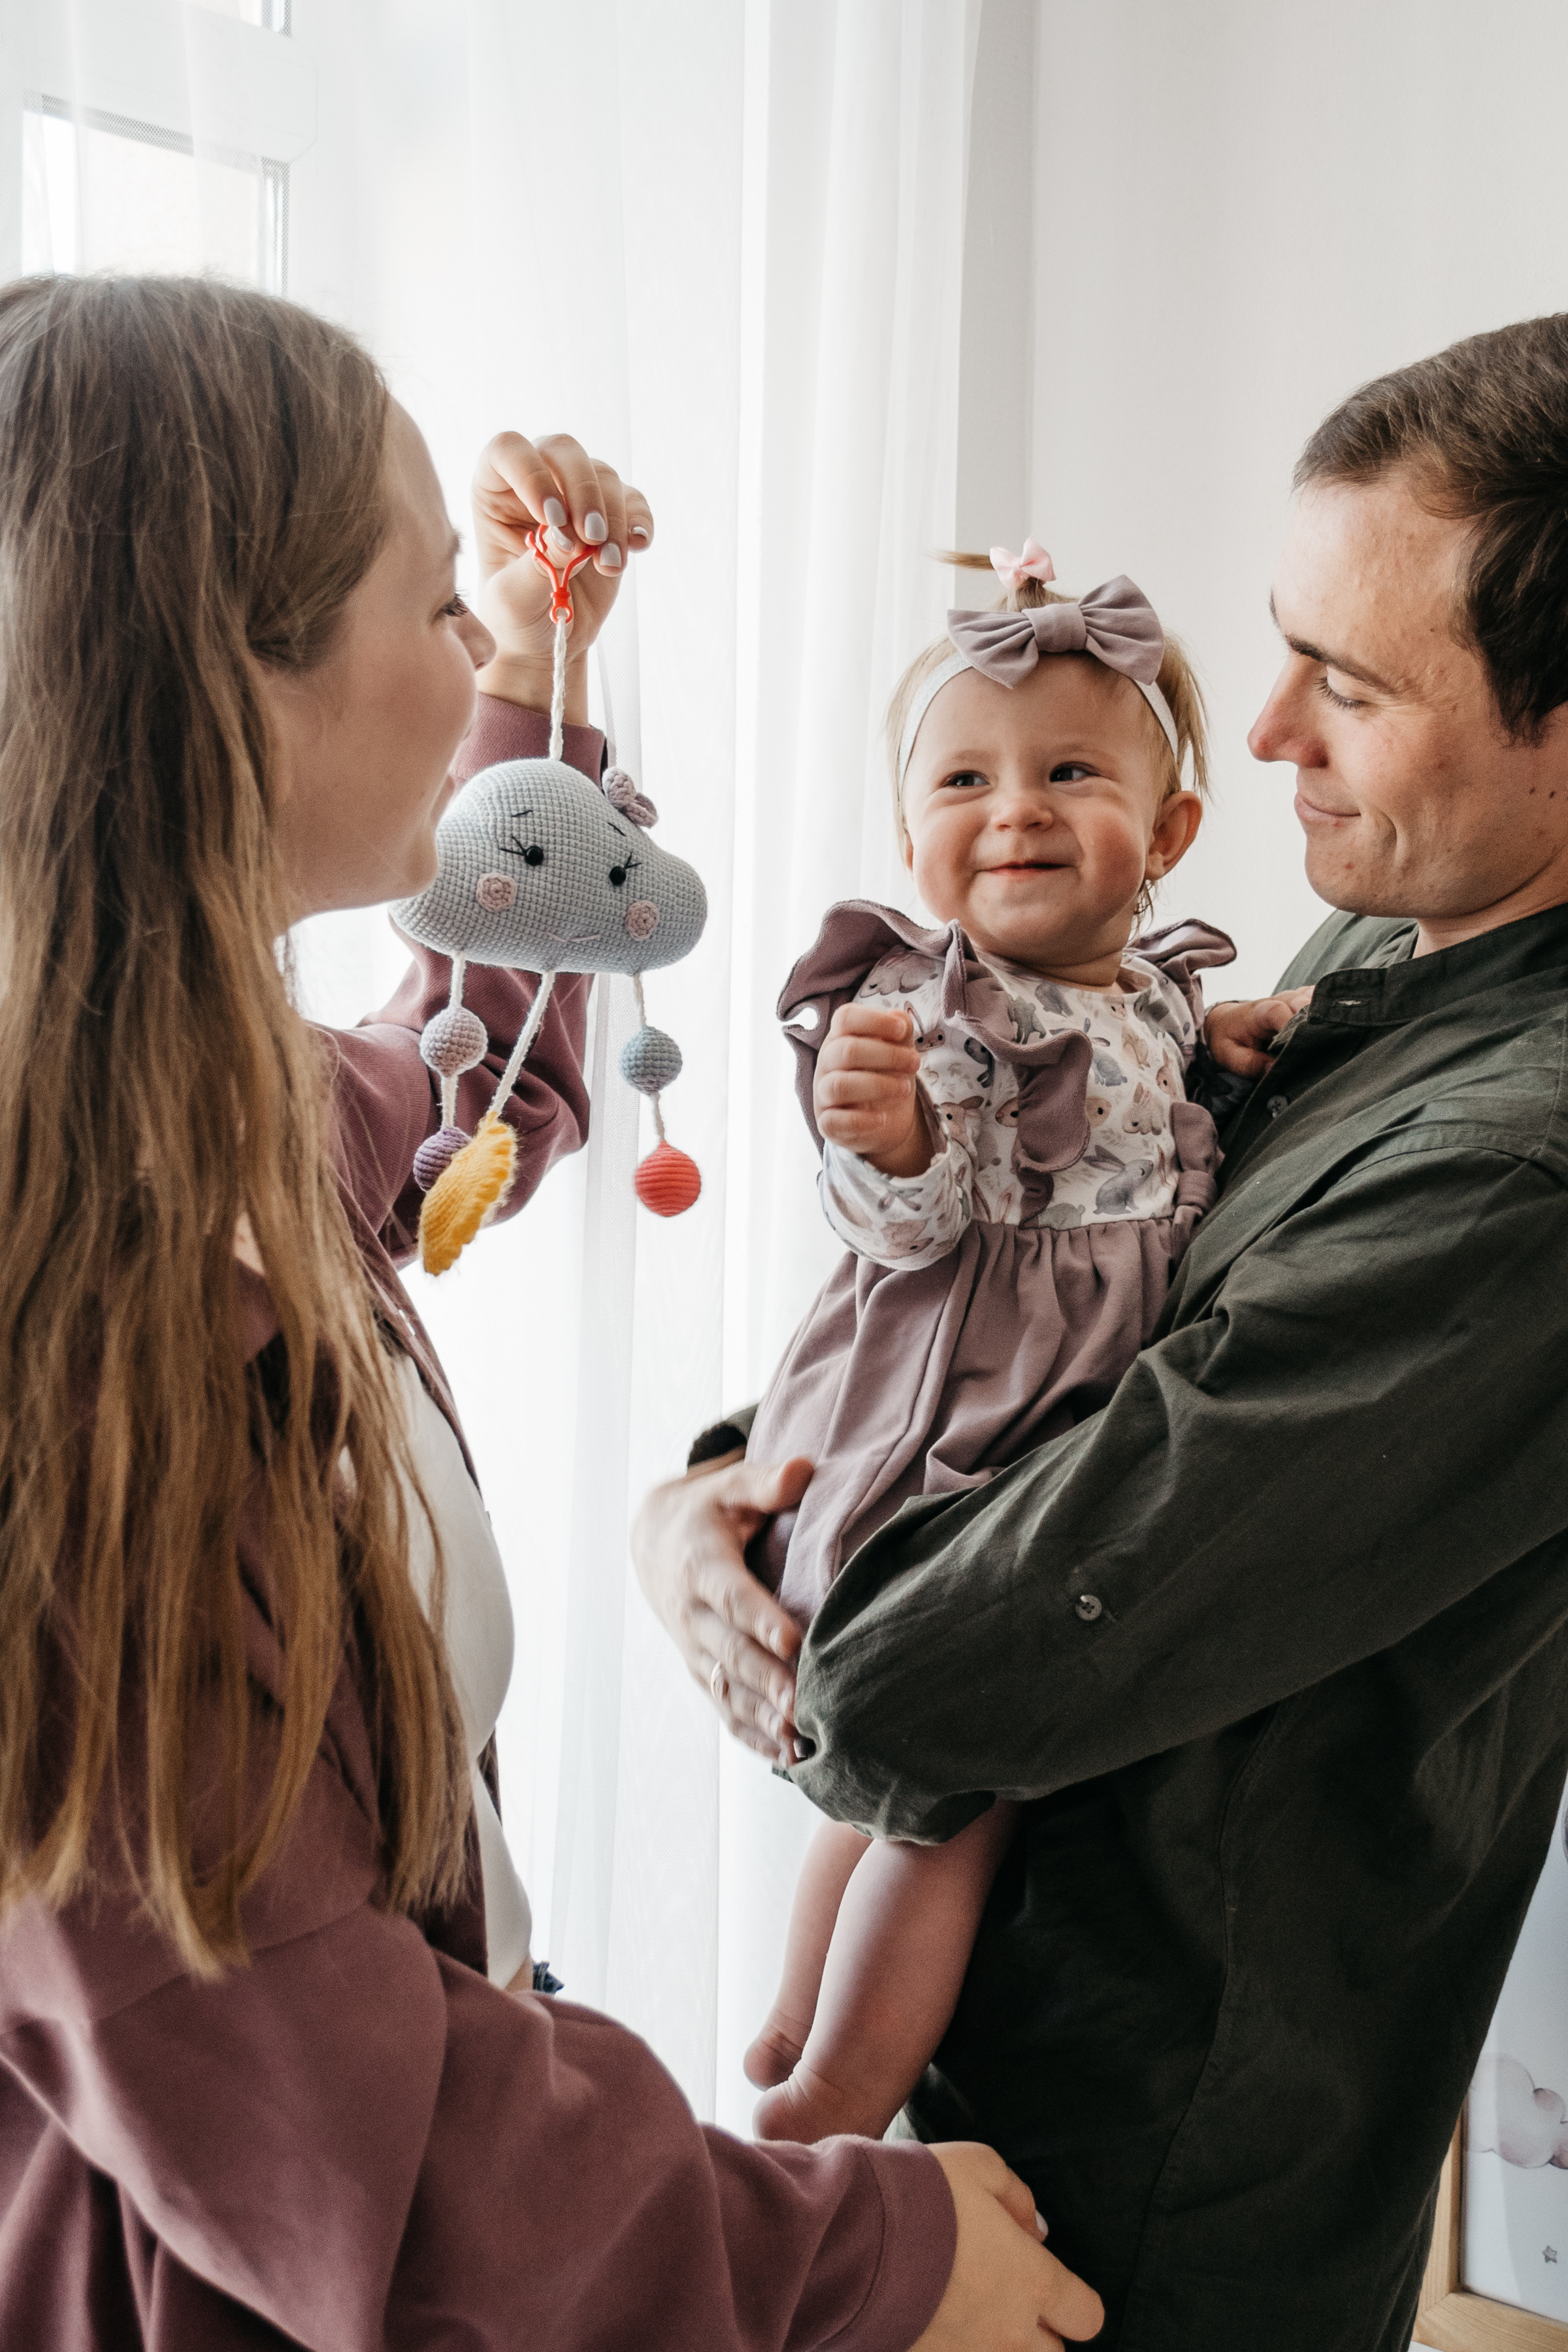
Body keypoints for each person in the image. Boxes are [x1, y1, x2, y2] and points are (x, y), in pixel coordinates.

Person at [0, 274, 1105, 2352]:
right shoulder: (68, 1339)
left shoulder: (238, 1119)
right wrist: (860, 2254)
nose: (471, 657)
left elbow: (484, 1050)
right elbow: (351, 2127)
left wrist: (525, 672)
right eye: (429, 617)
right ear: (238, 680)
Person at [634, 308, 1568, 2349]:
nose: (1273, 741)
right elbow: (1048, 1295)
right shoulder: (1380, 938)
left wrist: (785, 1587)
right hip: (984, 2105)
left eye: (1351, 684)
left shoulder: (1525, 1175)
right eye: (1283, 647)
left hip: (1142, 2199)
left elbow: (931, 1665)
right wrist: (717, 1489)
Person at [741, 546, 1305, 2147]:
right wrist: (896, 1141)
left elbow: (1154, 1073)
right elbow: (903, 1238)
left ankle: (794, 2022)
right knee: (958, 1791)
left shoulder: (1144, 989)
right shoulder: (938, 1019)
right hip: (980, 1406)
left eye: (1072, 772)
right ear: (916, 842)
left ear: (1171, 834)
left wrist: (1228, 1036)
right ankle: (837, 2097)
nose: (1020, 810)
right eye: (969, 779)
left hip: (1087, 1403)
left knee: (900, 1776)